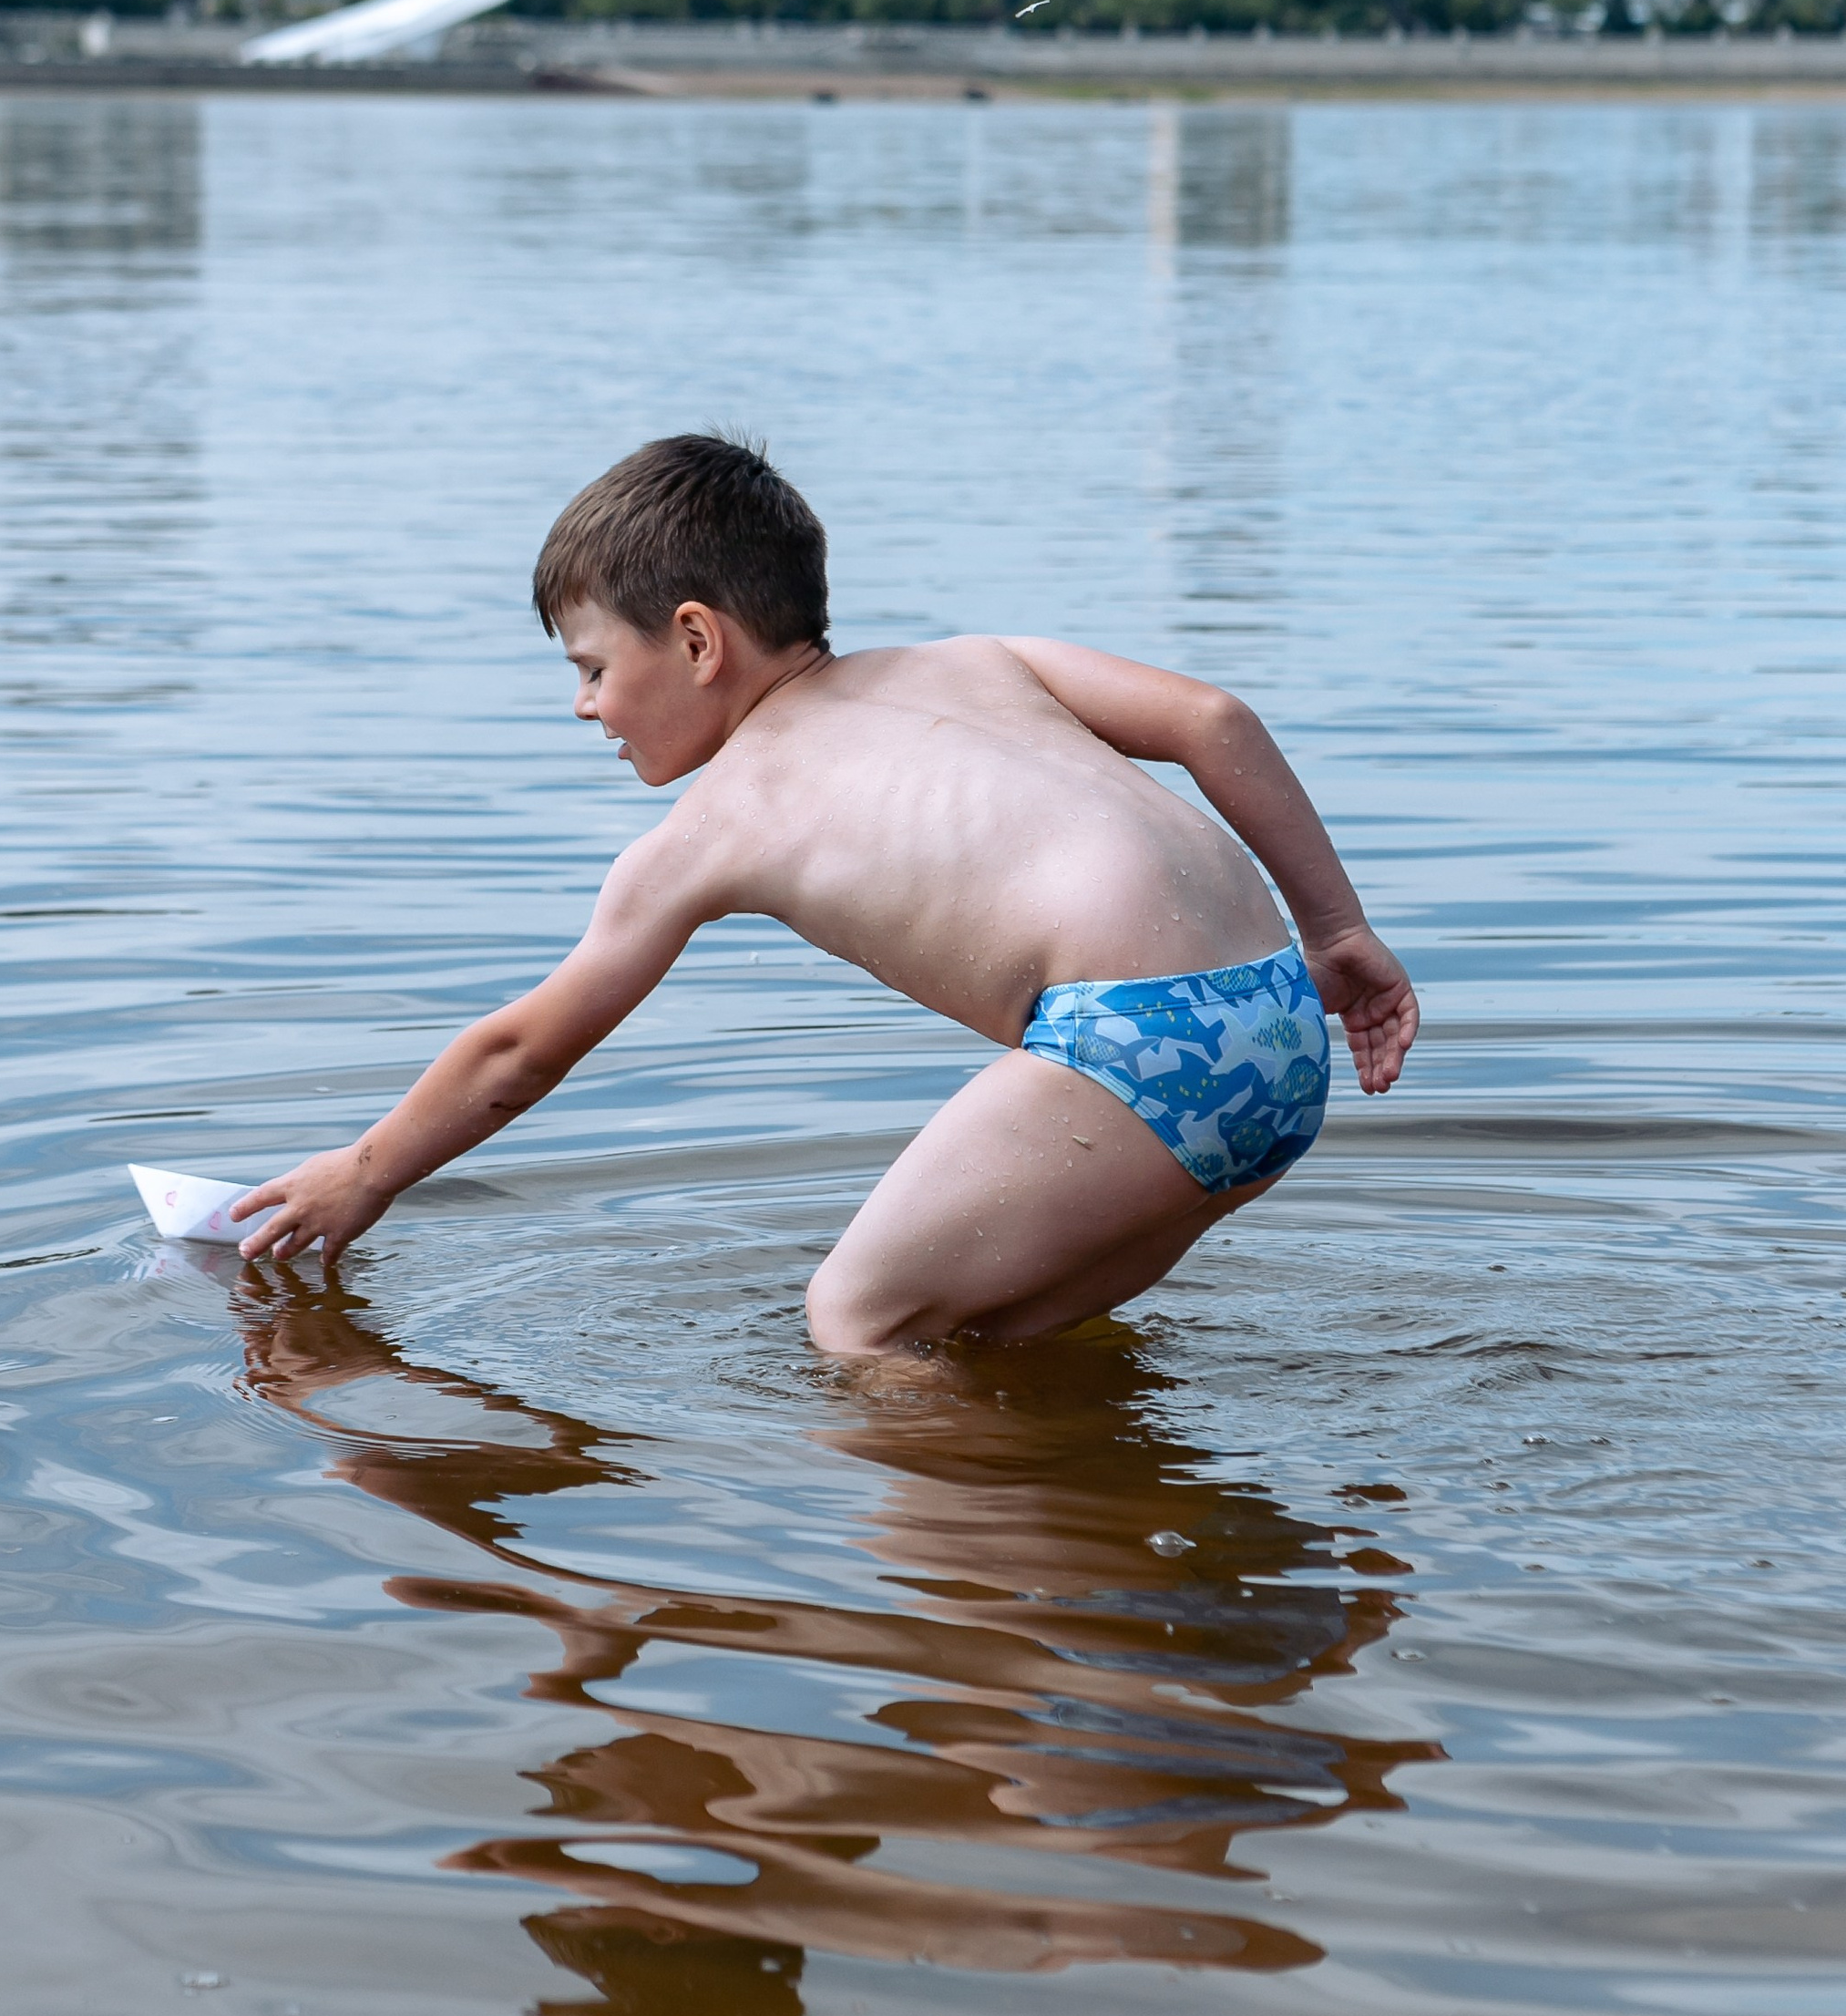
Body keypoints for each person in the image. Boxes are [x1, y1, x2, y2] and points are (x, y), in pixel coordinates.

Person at [231, 434, 1418, 1350]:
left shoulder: (719, 824)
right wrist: (1342, 931)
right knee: (980, 1340)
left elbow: (522, 1051)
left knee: (852, 1321)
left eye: (593, 667)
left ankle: (980, 1645)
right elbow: (1213, 719)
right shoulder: (979, 662)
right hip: (1278, 1019)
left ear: (697, 642)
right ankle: (1104, 1614)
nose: (584, 706)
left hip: (1136, 1049)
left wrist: (369, 1169)